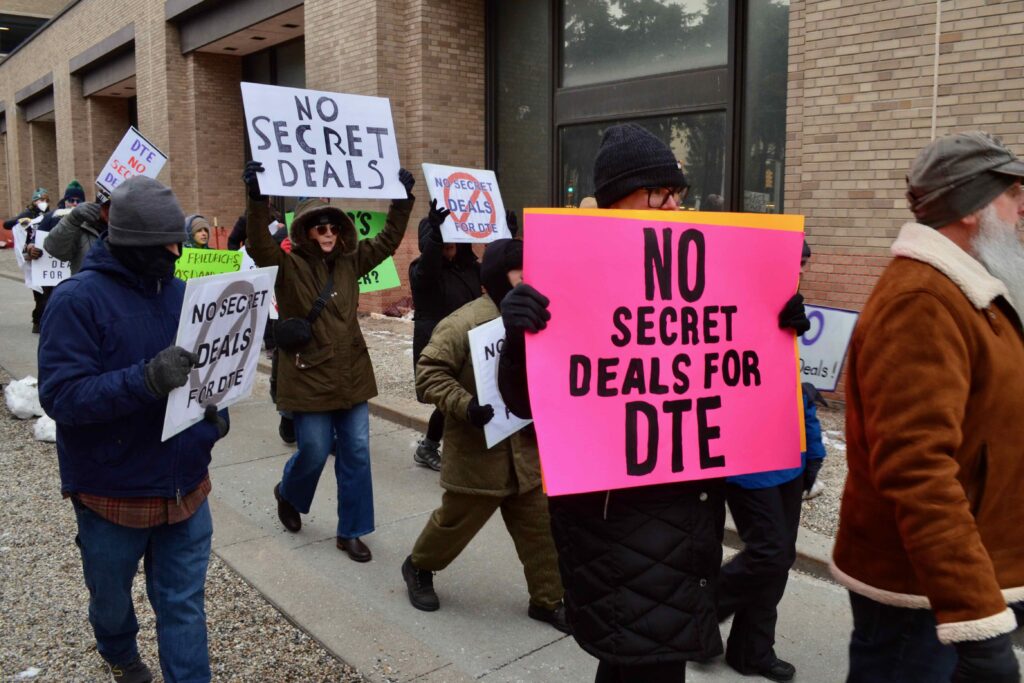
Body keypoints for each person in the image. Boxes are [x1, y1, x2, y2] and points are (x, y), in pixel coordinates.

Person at [496, 123, 810, 683]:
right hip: (613, 520)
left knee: (645, 663)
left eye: (678, 194)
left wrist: (776, 327)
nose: (673, 205)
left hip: (685, 516)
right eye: (659, 193)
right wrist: (520, 335)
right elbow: (523, 402)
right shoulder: (566, 272)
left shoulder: (705, 265)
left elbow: (730, 372)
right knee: (642, 662)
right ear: (619, 197)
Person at [831, 131, 1024, 683]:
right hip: (921, 591)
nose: (1022, 207)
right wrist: (977, 617)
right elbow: (918, 470)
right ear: (970, 208)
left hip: (956, 574)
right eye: (1012, 193)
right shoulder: (923, 301)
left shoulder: (968, 289)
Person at [37, 175, 230, 683]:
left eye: (178, 241)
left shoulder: (186, 295)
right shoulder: (76, 300)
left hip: (186, 486)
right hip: (111, 492)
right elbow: (61, 397)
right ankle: (118, 650)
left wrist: (213, 412)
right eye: (161, 244)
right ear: (123, 240)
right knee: (110, 597)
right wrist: (145, 380)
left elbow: (200, 376)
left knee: (183, 606)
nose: (174, 252)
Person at [242, 160, 415, 563]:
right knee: (315, 452)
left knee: (355, 450)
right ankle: (289, 493)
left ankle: (351, 530)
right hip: (308, 376)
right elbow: (258, 244)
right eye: (319, 226)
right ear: (304, 230)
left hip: (352, 374)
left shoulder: (351, 261)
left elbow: (388, 240)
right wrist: (255, 198)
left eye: (333, 226)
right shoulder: (287, 265)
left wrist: (402, 202)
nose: (328, 233)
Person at [401, 238, 567, 632]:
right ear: (497, 277)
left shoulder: (540, 319)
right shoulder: (462, 323)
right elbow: (428, 377)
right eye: (521, 273)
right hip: (478, 457)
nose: (531, 281)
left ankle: (547, 600)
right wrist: (465, 405)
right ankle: (419, 566)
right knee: (453, 525)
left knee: (542, 533)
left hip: (526, 455)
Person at [713, 241, 827, 683]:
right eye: (793, 265)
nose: (799, 274)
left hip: (790, 457)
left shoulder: (792, 311)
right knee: (769, 554)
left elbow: (801, 391)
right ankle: (699, 618)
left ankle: (751, 651)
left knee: (777, 562)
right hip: (748, 459)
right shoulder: (731, 308)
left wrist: (814, 452)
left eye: (802, 267)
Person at [408, 198, 484, 471]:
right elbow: (428, 267)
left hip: (471, 340)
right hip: (438, 344)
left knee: (469, 393)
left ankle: (441, 445)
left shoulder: (470, 269)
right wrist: (437, 237)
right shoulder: (421, 270)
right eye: (442, 238)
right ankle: (429, 446)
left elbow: (501, 272)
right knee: (448, 397)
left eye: (453, 236)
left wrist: (504, 239)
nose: (449, 243)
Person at [44, 191, 110, 276]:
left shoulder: (129, 229)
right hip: (86, 287)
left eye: (116, 206)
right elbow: (54, 249)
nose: (110, 211)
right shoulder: (82, 226)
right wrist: (71, 220)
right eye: (106, 206)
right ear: (97, 206)